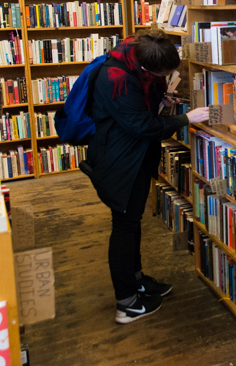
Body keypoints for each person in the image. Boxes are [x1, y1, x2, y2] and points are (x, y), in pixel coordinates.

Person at [86, 29, 209, 324]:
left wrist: (160, 101)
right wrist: (183, 119)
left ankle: (137, 280)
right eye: (162, 74)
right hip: (119, 163)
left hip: (133, 158)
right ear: (146, 67)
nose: (164, 77)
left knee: (131, 223)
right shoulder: (116, 79)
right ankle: (126, 303)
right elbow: (140, 125)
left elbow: (140, 109)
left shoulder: (136, 55)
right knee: (124, 226)